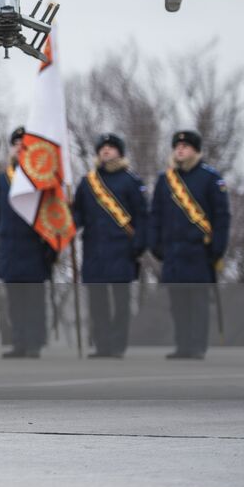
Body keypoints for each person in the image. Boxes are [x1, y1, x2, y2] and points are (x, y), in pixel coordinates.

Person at [150, 129, 231, 360]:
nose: (180, 149)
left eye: (185, 146)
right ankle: (183, 345)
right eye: (177, 146)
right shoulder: (165, 180)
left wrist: (217, 249)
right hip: (173, 252)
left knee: (197, 303)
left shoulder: (210, 178)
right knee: (178, 304)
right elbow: (155, 215)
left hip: (199, 251)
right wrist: (156, 245)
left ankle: (197, 346)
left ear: (195, 150)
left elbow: (222, 216)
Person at [72, 132, 149, 359]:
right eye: (102, 148)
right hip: (94, 249)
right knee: (97, 303)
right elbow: (78, 214)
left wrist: (139, 245)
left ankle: (118, 345)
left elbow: (142, 216)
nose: (106, 151)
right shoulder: (87, 183)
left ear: (120, 152)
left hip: (121, 249)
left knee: (121, 302)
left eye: (111, 147)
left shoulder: (131, 181)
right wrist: (67, 220)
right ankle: (102, 345)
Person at [0, 126, 56, 359]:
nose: (19, 148)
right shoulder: (4, 177)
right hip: (10, 245)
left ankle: (34, 342)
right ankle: (19, 341)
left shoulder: (42, 177)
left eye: (23, 144)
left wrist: (51, 244)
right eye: (16, 144)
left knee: (34, 299)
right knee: (15, 300)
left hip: (33, 246)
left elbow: (51, 211)